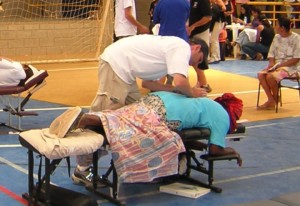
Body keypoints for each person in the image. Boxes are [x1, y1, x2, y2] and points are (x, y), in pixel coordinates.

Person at [73, 35, 209, 183]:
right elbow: (181, 83)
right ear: (196, 48)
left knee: (141, 118)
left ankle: (142, 164)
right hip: (117, 65)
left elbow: (149, 84)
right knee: (105, 121)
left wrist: (179, 91)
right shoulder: (182, 47)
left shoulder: (169, 56)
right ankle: (82, 169)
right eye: (199, 59)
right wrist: (193, 93)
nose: (194, 64)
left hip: (126, 74)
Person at [73, 91, 243, 184]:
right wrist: (232, 151)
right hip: (169, 114)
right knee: (137, 133)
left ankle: (99, 119)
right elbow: (215, 150)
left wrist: (197, 145)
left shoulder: (207, 103)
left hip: (158, 98)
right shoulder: (223, 117)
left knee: (126, 118)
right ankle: (94, 119)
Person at [257, 17, 300, 110]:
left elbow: (296, 58)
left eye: (277, 24)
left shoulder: (296, 38)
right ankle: (271, 99)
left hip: (291, 67)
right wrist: (272, 64)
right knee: (261, 75)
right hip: (277, 65)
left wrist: (280, 66)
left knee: (271, 77)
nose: (275, 27)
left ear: (282, 28)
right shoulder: (276, 37)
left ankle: (275, 98)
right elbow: (271, 53)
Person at [152, 0, 190, 85]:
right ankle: (183, 88)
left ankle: (159, 88)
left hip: (165, 38)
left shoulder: (161, 3)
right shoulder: (185, 3)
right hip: (181, 38)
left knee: (162, 65)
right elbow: (187, 18)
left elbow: (156, 20)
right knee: (181, 66)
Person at [187, 0, 213, 92]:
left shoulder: (202, 1)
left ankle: (204, 83)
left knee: (197, 60)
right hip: (191, 32)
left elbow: (208, 17)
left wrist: (193, 26)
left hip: (200, 32)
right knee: (193, 60)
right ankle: (202, 83)